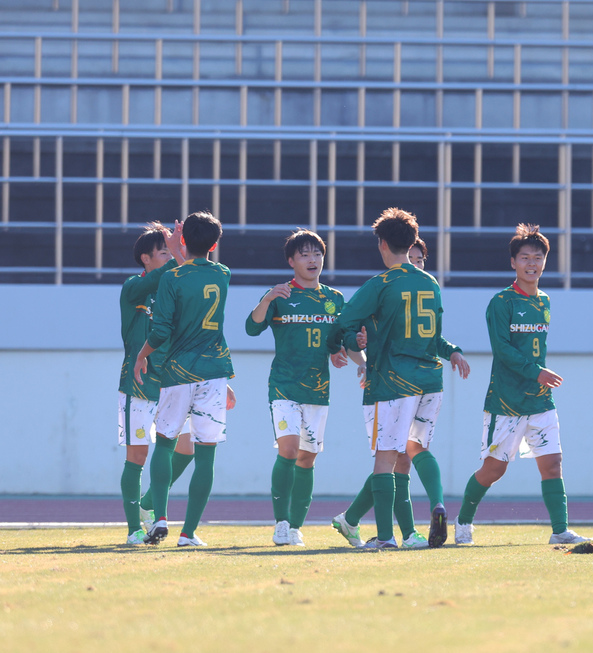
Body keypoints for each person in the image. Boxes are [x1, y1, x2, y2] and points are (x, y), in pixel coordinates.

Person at [329, 208, 469, 549]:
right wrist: (452, 351)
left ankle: (386, 538)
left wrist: (347, 344)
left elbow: (342, 322)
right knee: (410, 454)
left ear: (382, 243)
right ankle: (408, 532)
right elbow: (433, 336)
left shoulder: (381, 283)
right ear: (411, 243)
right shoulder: (430, 282)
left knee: (385, 458)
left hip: (392, 381)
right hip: (430, 382)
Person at [454, 224, 593, 546]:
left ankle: (560, 531)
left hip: (540, 400)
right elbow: (502, 350)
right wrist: (536, 372)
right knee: (493, 470)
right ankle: (462, 522)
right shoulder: (501, 302)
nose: (532, 263)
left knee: (553, 464)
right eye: (525, 257)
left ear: (545, 262)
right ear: (513, 262)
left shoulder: (544, 300)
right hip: (506, 400)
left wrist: (538, 378)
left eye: (538, 257)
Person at [246, 229, 364, 547]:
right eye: (305, 254)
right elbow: (252, 327)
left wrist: (359, 360)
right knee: (288, 450)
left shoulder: (334, 299)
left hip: (318, 390)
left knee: (307, 459)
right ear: (291, 261)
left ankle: (297, 526)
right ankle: (281, 523)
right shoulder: (282, 295)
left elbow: (344, 342)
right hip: (283, 386)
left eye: (317, 254)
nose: (313, 260)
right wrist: (268, 297)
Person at [134, 210, 236, 547]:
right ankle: (188, 533)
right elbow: (197, 268)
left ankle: (159, 517)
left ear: (184, 241)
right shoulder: (223, 273)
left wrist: (143, 353)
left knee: (164, 443)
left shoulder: (171, 279)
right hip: (214, 374)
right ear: (216, 243)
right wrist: (183, 249)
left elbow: (161, 329)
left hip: (178, 371)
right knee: (205, 453)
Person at [117, 221, 184, 545]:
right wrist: (177, 255)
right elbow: (157, 278)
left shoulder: (172, 292)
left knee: (186, 450)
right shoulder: (133, 287)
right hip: (139, 384)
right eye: (163, 251)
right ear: (146, 259)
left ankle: (147, 505)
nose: (170, 255)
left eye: (171, 249)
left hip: (173, 383)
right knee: (137, 456)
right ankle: (134, 529)